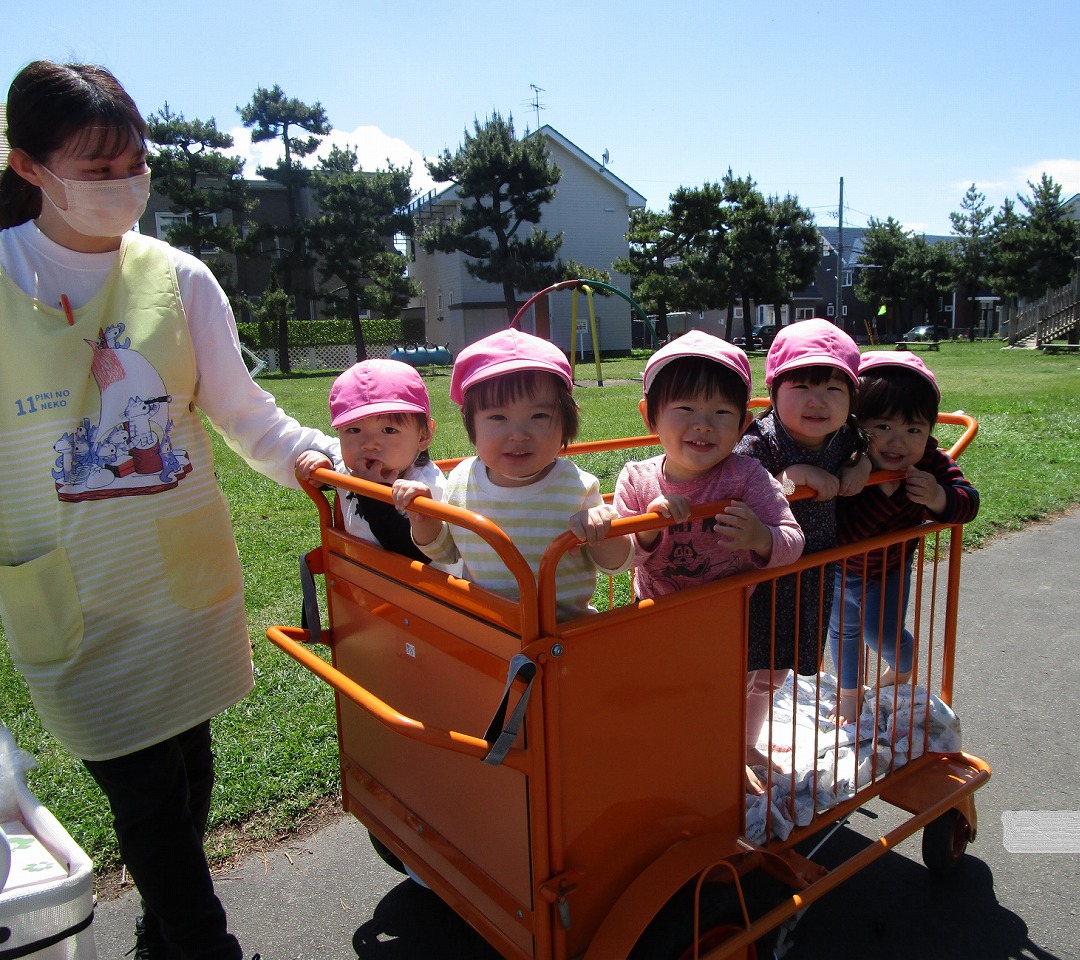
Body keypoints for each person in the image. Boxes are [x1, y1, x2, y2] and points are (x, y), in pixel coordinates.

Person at [0, 61, 338, 958]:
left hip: (183, 587)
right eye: (97, 169)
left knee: (187, 772)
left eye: (134, 165)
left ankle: (165, 928)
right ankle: (198, 943)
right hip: (73, 595)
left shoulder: (180, 279)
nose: (125, 187)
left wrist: (324, 463)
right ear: (28, 166)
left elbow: (246, 417)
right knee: (145, 793)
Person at [611, 331, 804, 789]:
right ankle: (670, 770)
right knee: (662, 703)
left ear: (742, 425)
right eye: (686, 410)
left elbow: (791, 539)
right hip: (656, 623)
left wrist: (761, 537)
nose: (704, 425)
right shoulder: (636, 480)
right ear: (650, 416)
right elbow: (617, 559)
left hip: (727, 624)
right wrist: (648, 532)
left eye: (722, 413)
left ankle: (720, 769)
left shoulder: (747, 476)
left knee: (722, 702)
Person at [391, 327, 633, 619]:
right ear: (470, 423)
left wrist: (603, 530)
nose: (518, 434)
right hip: (487, 629)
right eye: (497, 417)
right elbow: (445, 553)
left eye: (539, 416)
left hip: (563, 636)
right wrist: (424, 518)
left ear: (566, 420)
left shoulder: (577, 487)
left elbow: (615, 564)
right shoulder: (460, 480)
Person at [735, 321, 869, 761]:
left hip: (809, 573)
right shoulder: (763, 439)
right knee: (741, 664)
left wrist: (861, 466)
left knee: (774, 669)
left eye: (834, 389)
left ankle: (747, 745)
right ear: (774, 392)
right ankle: (723, 742)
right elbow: (737, 481)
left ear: (851, 400)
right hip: (760, 572)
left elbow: (862, 450)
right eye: (802, 386)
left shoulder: (846, 437)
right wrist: (787, 481)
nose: (817, 401)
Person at [827, 352, 979, 722]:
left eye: (914, 430)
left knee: (883, 636)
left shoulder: (930, 460)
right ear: (856, 424)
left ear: (928, 432)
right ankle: (848, 697)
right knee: (842, 633)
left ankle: (903, 668)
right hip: (837, 569)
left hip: (889, 570)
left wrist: (938, 497)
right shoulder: (842, 456)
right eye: (883, 427)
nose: (898, 442)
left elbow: (969, 502)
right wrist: (878, 489)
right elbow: (843, 534)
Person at [296, 358, 444, 559]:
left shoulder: (425, 487)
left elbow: (417, 554)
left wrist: (372, 496)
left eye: (389, 430)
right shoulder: (355, 468)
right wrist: (322, 464)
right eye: (354, 430)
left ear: (423, 435)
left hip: (414, 589)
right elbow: (338, 470)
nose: (369, 444)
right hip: (360, 583)